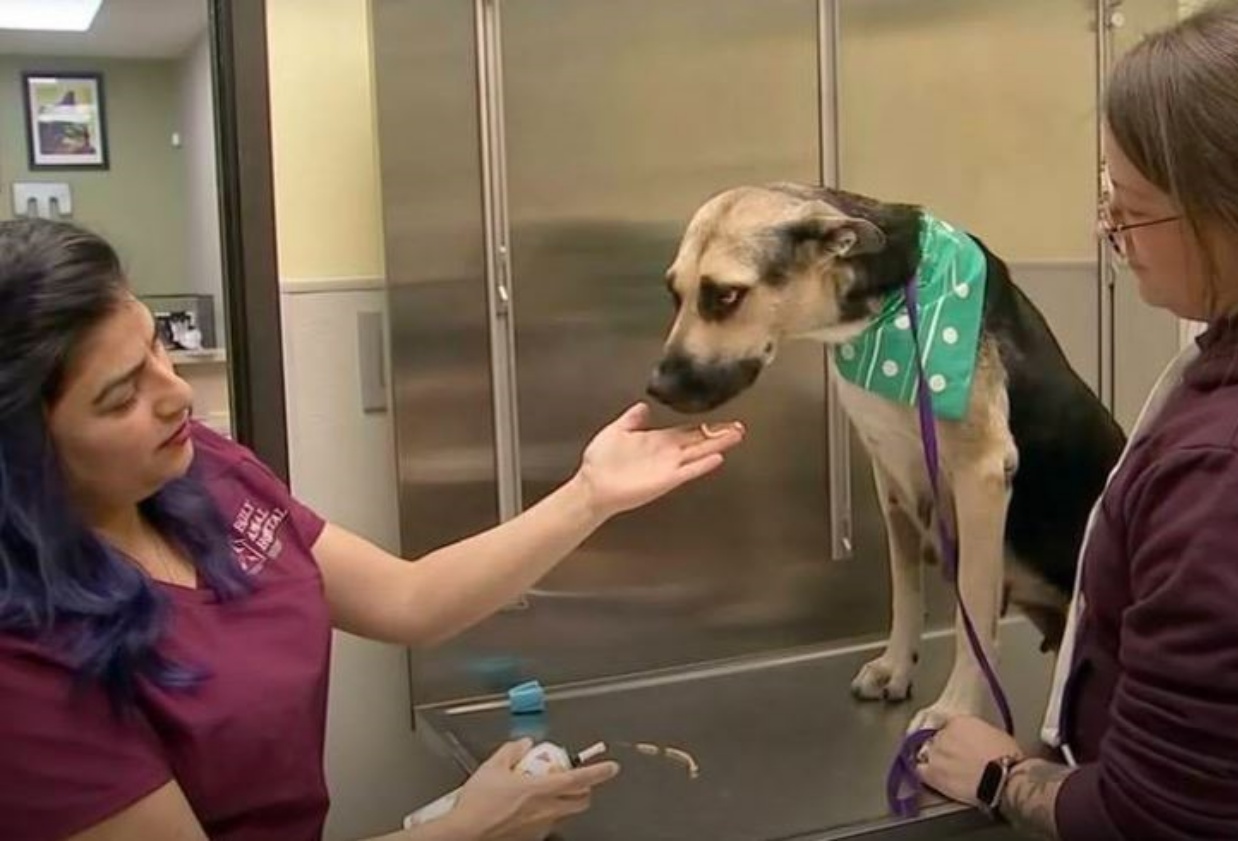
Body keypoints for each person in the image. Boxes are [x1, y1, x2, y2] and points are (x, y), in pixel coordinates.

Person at [0, 217, 745, 841]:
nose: (178, 395)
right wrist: (461, 829)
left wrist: (591, 494)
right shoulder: (22, 661)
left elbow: (408, 598)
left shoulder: (204, 475)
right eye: (122, 394)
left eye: (157, 344)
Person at [915, 1, 1238, 839]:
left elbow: (1156, 822)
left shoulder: (1229, 479)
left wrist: (1004, 776)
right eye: (1107, 196)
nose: (1111, 227)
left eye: (1135, 206)